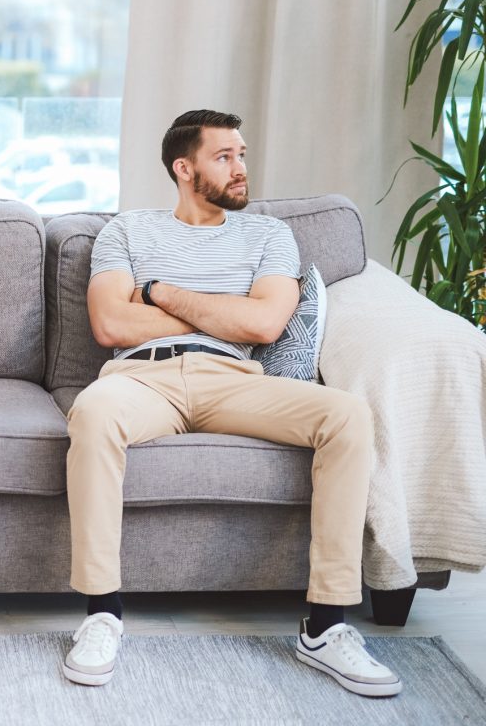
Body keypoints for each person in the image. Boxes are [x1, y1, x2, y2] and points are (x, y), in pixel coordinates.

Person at [61, 109, 401, 697]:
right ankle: (102, 613)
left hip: (236, 377)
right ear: (184, 168)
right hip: (143, 377)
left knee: (346, 413)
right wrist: (222, 311)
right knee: (92, 412)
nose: (241, 169)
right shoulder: (126, 232)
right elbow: (111, 323)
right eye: (225, 157)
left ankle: (325, 626)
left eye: (242, 155)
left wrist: (162, 292)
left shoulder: (269, 235)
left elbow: (266, 323)